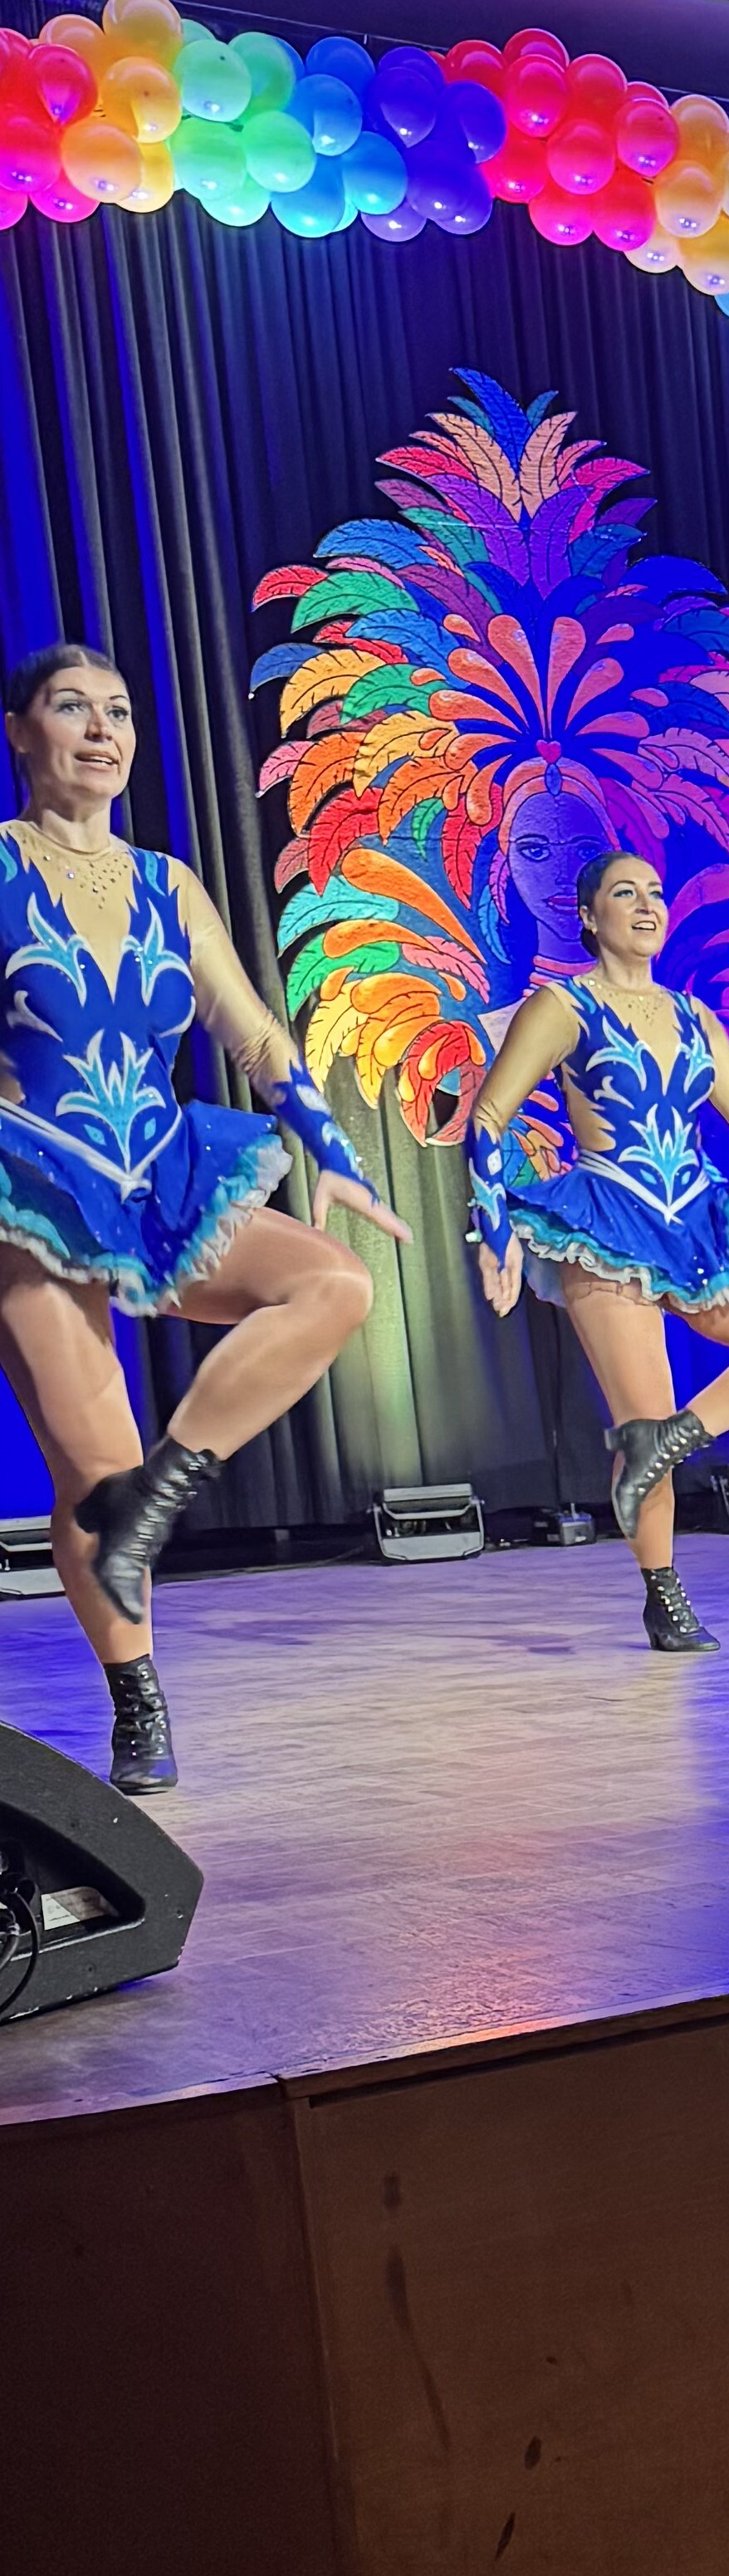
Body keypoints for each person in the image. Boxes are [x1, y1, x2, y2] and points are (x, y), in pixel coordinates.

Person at [0, 637, 404, 1791]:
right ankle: (137, 1693)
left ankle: (163, 1491)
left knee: (333, 1284)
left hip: (161, 1173)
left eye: (119, 712)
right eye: (72, 708)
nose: (101, 730)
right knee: (93, 1475)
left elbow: (256, 1036)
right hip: (31, 1194)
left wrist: (334, 1151)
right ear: (20, 733)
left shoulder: (169, 883)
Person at [463, 848, 729, 1651]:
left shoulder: (693, 1016)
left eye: (654, 891)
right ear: (588, 916)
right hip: (605, 1227)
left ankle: (675, 1436)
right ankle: (663, 1595)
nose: (647, 905)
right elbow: (487, 1118)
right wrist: (495, 1232)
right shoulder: (563, 1005)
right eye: (625, 893)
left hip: (690, 1225)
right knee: (637, 1417)